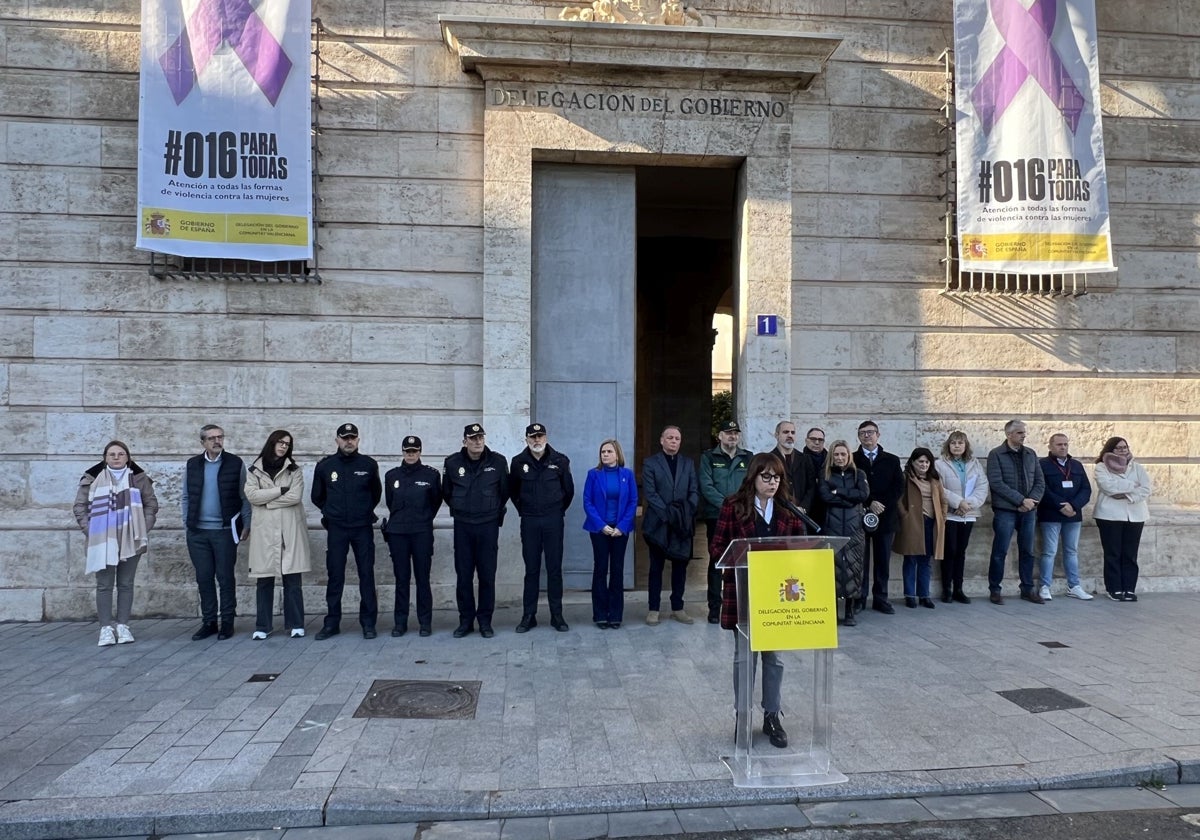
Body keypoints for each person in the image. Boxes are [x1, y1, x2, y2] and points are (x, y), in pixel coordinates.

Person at [712, 453, 807, 749]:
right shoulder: (733, 506)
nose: (772, 482)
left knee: (773, 658)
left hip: (775, 596)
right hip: (744, 592)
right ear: (753, 477)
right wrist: (741, 558)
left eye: (777, 477)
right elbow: (717, 547)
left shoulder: (789, 512)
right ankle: (742, 717)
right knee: (744, 658)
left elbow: (800, 551)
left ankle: (771, 716)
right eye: (766, 476)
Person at [73, 441, 159, 647]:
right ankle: (105, 628)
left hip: (131, 537)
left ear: (128, 457)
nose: (116, 457)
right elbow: (79, 507)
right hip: (102, 539)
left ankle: (123, 625)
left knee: (126, 584)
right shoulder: (92, 478)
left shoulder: (139, 478)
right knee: (104, 585)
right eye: (112, 454)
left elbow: (151, 504)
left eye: (121, 454)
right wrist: (91, 531)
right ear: (105, 458)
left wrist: (142, 529)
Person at [311, 423, 383, 639]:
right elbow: (317, 496)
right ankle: (332, 623)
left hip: (362, 527)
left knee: (366, 575)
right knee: (335, 575)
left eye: (353, 437)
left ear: (358, 440)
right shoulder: (325, 466)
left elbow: (375, 494)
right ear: (337, 441)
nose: (349, 441)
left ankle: (368, 623)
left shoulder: (369, 465)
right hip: (337, 529)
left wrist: (362, 511)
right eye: (345, 438)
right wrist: (332, 513)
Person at [182, 424, 250, 641]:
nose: (216, 441)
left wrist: (246, 524)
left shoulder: (235, 463)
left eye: (220, 437)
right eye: (211, 438)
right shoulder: (192, 464)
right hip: (198, 532)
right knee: (204, 578)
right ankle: (209, 621)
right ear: (202, 442)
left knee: (225, 577)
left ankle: (227, 621)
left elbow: (244, 496)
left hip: (224, 531)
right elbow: (185, 496)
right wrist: (187, 523)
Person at [443, 423, 509, 638]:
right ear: (465, 441)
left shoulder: (498, 462)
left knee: (487, 576)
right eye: (472, 438)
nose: (477, 441)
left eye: (480, 437)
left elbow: (505, 491)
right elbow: (447, 492)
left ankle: (485, 621)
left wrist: (491, 510)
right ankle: (465, 621)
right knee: (464, 576)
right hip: (463, 525)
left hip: (488, 524)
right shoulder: (452, 463)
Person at [244, 430, 310, 640]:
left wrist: (268, 501)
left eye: (287, 444)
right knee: (264, 579)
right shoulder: (254, 470)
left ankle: (296, 624)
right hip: (264, 531)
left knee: (292, 578)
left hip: (289, 528)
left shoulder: (294, 469)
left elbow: (296, 496)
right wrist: (279, 490)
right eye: (280, 442)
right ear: (271, 443)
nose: (283, 446)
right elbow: (252, 496)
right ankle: (263, 625)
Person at [509, 423, 575, 632]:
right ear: (526, 439)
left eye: (540, 436)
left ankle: (557, 615)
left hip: (553, 520)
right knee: (532, 570)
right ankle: (529, 615)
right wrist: (527, 510)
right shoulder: (518, 462)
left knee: (554, 569)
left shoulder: (560, 460)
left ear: (546, 437)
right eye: (533, 437)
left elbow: (568, 491)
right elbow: (513, 492)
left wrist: (555, 510)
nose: (537, 440)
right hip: (530, 521)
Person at [382, 435, 443, 637]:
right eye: (407, 451)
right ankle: (400, 623)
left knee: (422, 579)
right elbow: (391, 503)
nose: (411, 454)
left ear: (420, 452)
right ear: (402, 452)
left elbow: (435, 502)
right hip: (398, 533)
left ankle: (425, 622)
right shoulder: (392, 476)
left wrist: (422, 519)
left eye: (414, 451)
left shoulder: (431, 475)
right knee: (402, 579)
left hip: (421, 532)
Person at [642, 425, 699, 625]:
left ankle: (678, 607)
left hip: (682, 524)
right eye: (670, 437)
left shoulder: (688, 463)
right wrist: (668, 514)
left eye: (677, 438)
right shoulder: (651, 463)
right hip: (659, 523)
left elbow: (694, 491)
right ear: (662, 440)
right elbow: (650, 493)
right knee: (656, 568)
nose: (674, 441)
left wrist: (686, 510)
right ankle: (653, 609)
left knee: (680, 567)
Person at [985, 419, 1046, 605]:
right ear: (1009, 434)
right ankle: (995, 589)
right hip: (1006, 510)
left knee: (1027, 550)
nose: (1023, 435)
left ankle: (1027, 589)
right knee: (1000, 550)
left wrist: (1031, 502)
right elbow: (996, 483)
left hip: (1029, 510)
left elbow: (1040, 481)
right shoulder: (996, 454)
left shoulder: (1030, 454)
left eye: (1024, 432)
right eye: (1019, 432)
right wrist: (1020, 500)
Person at [699, 420, 752, 624]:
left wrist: (740, 507)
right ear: (719, 436)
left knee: (743, 561)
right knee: (716, 561)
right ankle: (714, 607)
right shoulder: (709, 457)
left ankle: (742, 603)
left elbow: (751, 484)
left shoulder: (748, 457)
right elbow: (706, 485)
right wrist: (727, 506)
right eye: (728, 433)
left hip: (742, 517)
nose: (732, 436)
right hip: (717, 517)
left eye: (735, 433)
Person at [582, 439, 638, 629]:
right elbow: (587, 501)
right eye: (602, 452)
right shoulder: (593, 474)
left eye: (609, 451)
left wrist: (622, 526)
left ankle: (615, 615)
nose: (605, 454)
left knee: (617, 570)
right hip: (599, 530)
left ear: (617, 454)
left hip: (620, 530)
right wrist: (601, 525)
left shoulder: (627, 475)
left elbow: (633, 501)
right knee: (600, 569)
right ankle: (599, 614)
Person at [852, 420, 904, 614]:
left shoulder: (891, 459)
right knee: (860, 562)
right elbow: (851, 486)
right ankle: (859, 598)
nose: (867, 436)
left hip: (886, 518)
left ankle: (881, 598)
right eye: (863, 433)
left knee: (882, 561)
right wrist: (869, 502)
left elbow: (898, 487)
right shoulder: (852, 459)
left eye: (871, 432)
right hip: (860, 518)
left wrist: (881, 505)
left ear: (878, 435)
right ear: (858, 436)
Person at [1093, 437, 1152, 602]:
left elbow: (1146, 488)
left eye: (1125, 447)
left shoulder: (1137, 467)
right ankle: (1114, 589)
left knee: (1130, 554)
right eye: (1118, 448)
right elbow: (1107, 486)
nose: (1122, 450)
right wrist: (1132, 486)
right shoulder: (1101, 467)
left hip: (1136, 515)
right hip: (1109, 516)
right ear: (1110, 449)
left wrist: (1127, 495)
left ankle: (1129, 589)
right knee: (1113, 553)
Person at [934, 430, 989, 604]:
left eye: (960, 443)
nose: (957, 446)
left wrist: (968, 505)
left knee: (961, 552)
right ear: (948, 446)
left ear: (966, 446)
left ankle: (959, 588)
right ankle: (947, 589)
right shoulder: (940, 464)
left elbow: (982, 486)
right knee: (949, 551)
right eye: (953, 443)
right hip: (951, 514)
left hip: (968, 514)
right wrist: (958, 503)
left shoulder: (975, 464)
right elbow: (939, 488)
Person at [818, 440, 868, 626]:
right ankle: (831, 610)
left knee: (853, 569)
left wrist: (839, 491)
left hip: (854, 529)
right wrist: (849, 498)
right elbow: (825, 496)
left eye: (843, 454)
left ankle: (849, 611)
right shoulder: (825, 474)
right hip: (833, 527)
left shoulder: (858, 474)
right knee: (833, 570)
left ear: (849, 455)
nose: (840, 458)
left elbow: (862, 495)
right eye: (836, 454)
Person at [1037, 433, 1093, 601]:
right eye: (1059, 444)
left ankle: (1074, 586)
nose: (1063, 447)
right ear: (1050, 446)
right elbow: (1042, 489)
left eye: (1065, 444)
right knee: (1049, 551)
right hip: (1051, 514)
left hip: (1073, 515)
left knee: (1071, 551)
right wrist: (1061, 505)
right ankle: (1045, 586)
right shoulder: (1043, 465)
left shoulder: (1076, 465)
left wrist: (1074, 506)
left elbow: (1086, 489)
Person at [894, 447, 945, 609]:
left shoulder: (935, 480)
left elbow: (943, 500)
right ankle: (910, 595)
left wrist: (942, 517)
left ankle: (924, 595)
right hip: (913, 522)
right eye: (920, 461)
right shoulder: (905, 478)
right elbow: (898, 498)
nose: (924, 465)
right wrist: (905, 515)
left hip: (932, 522)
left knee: (926, 561)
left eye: (927, 462)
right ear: (913, 462)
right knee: (911, 559)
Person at [769, 421, 816, 513]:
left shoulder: (805, 459)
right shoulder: (769, 459)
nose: (790, 435)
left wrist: (803, 508)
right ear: (776, 435)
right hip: (777, 512)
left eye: (793, 432)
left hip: (802, 514)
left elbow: (812, 487)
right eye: (785, 432)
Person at [803, 427, 829, 525]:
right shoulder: (799, 460)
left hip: (827, 508)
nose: (817, 442)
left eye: (820, 440)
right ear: (806, 441)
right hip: (807, 508)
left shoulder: (831, 461)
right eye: (813, 439)